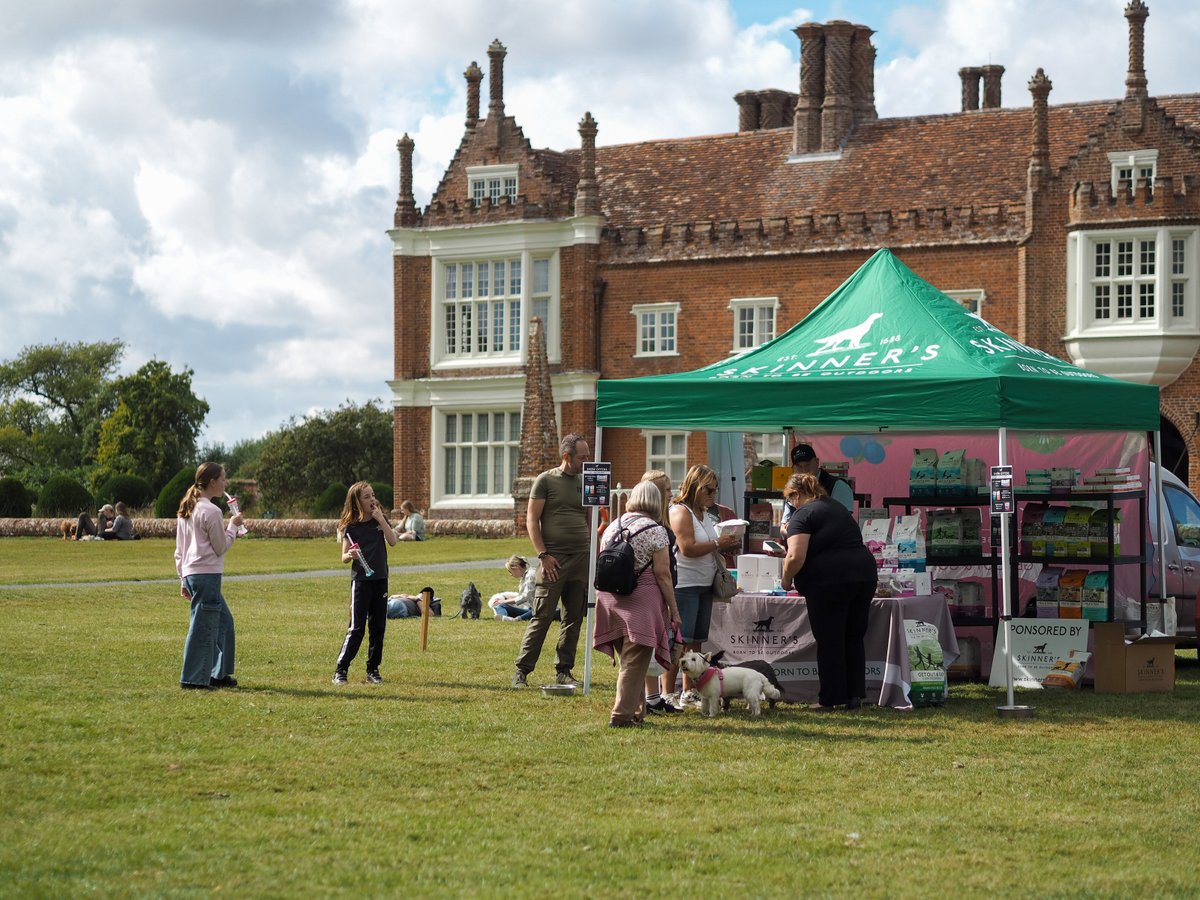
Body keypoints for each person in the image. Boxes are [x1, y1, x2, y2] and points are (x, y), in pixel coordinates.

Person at [780, 472, 878, 711]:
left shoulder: (803, 514)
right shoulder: (836, 507)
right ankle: (854, 695)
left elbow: (795, 556)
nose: (791, 504)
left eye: (790, 499)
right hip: (863, 575)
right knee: (853, 636)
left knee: (830, 640)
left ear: (796, 494)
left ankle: (830, 698)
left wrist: (786, 579)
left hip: (830, 580)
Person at [593, 480, 681, 727]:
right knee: (633, 663)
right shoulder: (656, 530)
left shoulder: (614, 525)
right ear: (657, 501)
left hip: (610, 599)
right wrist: (674, 610)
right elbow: (663, 574)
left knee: (632, 660)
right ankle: (621, 716)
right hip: (640, 602)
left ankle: (637, 712)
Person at [512, 433, 591, 688]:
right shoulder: (545, 480)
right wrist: (543, 555)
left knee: (574, 618)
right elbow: (531, 520)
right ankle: (522, 671)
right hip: (553, 560)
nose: (587, 461)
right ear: (567, 456)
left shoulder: (585, 481)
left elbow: (589, 517)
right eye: (582, 457)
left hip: (581, 559)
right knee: (543, 615)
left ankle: (564, 670)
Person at [668, 464, 741, 708]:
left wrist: (725, 544)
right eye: (708, 489)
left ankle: (689, 692)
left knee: (695, 642)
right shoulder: (681, 511)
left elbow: (707, 545)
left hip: (703, 584)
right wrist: (718, 543)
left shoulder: (703, 513)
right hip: (685, 584)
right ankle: (667, 693)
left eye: (715, 490)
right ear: (694, 487)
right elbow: (687, 548)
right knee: (679, 642)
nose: (713, 494)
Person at [175, 462, 244, 690]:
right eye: (223, 479)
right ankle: (194, 679)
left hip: (192, 574)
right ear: (212, 482)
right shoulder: (212, 511)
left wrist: (182, 579)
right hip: (207, 575)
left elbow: (180, 550)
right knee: (203, 628)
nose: (225, 483)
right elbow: (220, 547)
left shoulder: (187, 509)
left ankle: (218, 673)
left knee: (225, 623)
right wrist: (233, 526)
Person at [332, 482, 398, 685]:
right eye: (367, 497)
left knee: (378, 627)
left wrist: (381, 519)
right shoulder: (351, 527)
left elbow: (393, 541)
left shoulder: (380, 519)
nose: (372, 499)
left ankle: (373, 670)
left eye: (373, 495)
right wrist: (350, 555)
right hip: (361, 582)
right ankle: (341, 670)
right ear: (357, 502)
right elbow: (343, 557)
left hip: (380, 579)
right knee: (357, 628)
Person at [640, 469, 682, 715]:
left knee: (657, 642)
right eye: (667, 490)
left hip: (661, 589)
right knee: (649, 645)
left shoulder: (662, 520)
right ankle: (650, 698)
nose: (671, 493)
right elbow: (661, 571)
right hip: (653, 591)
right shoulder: (652, 525)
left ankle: (653, 698)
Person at [780, 443, 854, 533]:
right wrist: (792, 532)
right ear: (793, 468)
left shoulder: (838, 486)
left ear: (817, 462)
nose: (804, 470)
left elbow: (843, 524)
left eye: (807, 464)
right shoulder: (793, 488)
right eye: (799, 466)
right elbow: (783, 527)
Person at [489, 554, 536, 621]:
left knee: (537, 610)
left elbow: (525, 596)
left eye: (510, 571)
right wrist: (503, 602)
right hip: (530, 608)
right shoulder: (524, 576)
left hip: (538, 608)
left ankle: (515, 619)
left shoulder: (531, 574)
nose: (510, 574)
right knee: (500, 606)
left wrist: (505, 601)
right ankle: (505, 618)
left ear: (516, 567)